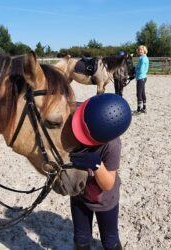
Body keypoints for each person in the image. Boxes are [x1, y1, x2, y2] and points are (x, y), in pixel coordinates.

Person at [70, 93, 132, 250]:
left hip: (104, 200)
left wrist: (97, 165)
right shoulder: (77, 117)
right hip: (79, 196)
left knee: (109, 241)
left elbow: (108, 184)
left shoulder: (111, 145)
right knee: (81, 239)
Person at [135, 45, 149, 113]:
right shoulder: (142, 58)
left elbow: (141, 70)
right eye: (139, 50)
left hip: (141, 77)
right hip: (143, 77)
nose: (140, 51)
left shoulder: (143, 59)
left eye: (141, 50)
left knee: (139, 94)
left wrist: (135, 70)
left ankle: (139, 109)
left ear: (144, 51)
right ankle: (144, 107)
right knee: (142, 93)